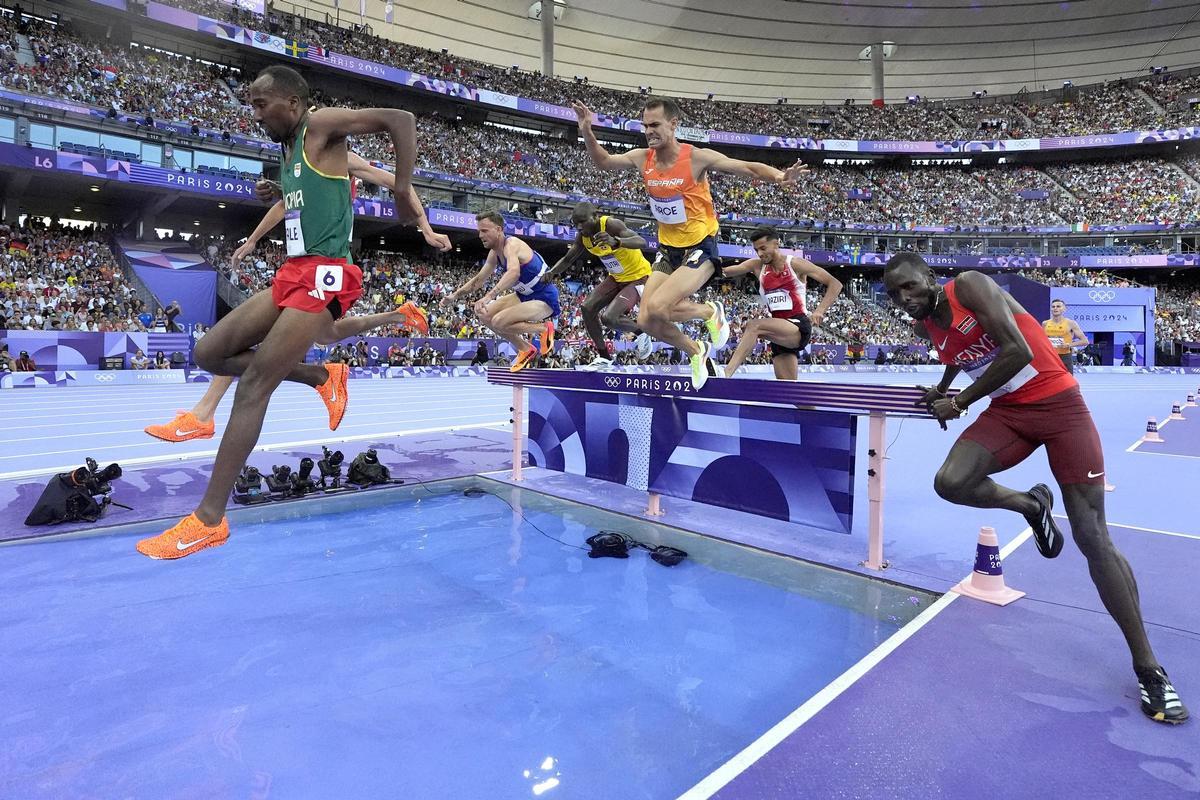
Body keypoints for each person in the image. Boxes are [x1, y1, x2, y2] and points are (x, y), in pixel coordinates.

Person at [882, 253, 1187, 725]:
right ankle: (1030, 503)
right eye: (894, 293)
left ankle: (1149, 668)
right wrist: (940, 387)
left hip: (1059, 405)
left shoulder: (969, 286)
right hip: (1010, 414)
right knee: (951, 481)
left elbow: (1018, 351)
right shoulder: (927, 326)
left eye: (909, 286)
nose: (905, 298)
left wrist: (959, 401)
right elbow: (955, 359)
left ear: (929, 278)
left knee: (1092, 537)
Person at [136, 64, 422, 560]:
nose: (253, 113)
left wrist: (400, 189)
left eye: (259, 103)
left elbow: (402, 118)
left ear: (291, 102)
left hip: (326, 272)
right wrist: (278, 194)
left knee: (253, 387)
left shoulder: (320, 125)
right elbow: (308, 197)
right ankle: (319, 376)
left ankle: (208, 519)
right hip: (293, 271)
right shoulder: (288, 148)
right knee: (210, 352)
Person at [144, 147, 449, 443]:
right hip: (299, 269)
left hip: (330, 270)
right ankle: (396, 316)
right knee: (325, 334)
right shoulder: (298, 164)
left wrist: (427, 229)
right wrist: (252, 241)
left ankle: (204, 414)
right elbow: (284, 206)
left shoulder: (344, 159)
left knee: (260, 341)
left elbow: (401, 184)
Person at [572, 96, 807, 388]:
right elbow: (604, 162)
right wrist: (586, 129)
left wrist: (779, 176)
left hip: (700, 247)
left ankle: (710, 312)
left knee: (657, 306)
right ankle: (697, 350)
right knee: (646, 320)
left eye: (655, 124)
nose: (649, 131)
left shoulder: (696, 157)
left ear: (673, 124)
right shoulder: (642, 157)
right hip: (668, 251)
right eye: (645, 126)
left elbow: (746, 167)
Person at [440, 210, 558, 373]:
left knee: (498, 321)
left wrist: (489, 297)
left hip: (544, 297)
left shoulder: (512, 245)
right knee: (484, 315)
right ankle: (525, 349)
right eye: (479, 231)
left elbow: (514, 272)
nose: (480, 235)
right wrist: (455, 295)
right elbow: (479, 280)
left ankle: (543, 328)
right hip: (524, 295)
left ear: (499, 229)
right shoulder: (495, 253)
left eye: (484, 231)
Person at [720, 226, 842, 380]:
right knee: (791, 391)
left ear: (776, 244)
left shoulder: (796, 264)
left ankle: (726, 373)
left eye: (763, 248)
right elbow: (727, 271)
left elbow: (835, 284)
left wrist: (819, 310)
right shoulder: (757, 266)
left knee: (754, 325)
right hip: (779, 331)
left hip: (798, 326)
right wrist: (708, 266)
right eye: (756, 250)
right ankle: (807, 405)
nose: (760, 254)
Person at [548, 202, 654, 365]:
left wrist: (616, 241)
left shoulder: (611, 224)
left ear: (595, 217)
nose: (579, 226)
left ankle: (642, 331)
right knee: (587, 308)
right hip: (617, 277)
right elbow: (568, 259)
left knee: (609, 318)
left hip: (639, 277)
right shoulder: (583, 237)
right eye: (576, 223)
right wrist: (551, 273)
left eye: (583, 221)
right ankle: (604, 357)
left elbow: (641, 242)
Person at [1042, 298, 1088, 374]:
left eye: (1058, 306)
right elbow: (1042, 340)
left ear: (1064, 309)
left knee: (1068, 382)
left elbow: (1085, 341)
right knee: (1051, 382)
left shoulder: (1071, 323)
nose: (1055, 308)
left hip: (1065, 356)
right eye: (1053, 307)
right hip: (1050, 356)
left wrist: (1069, 345)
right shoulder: (1045, 323)